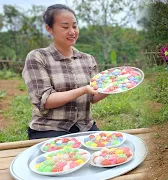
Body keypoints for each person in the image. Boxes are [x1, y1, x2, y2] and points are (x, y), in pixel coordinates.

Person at [22, 4, 108, 140]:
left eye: (74, 26)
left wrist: (111, 88)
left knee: (105, 154)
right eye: (65, 27)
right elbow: (45, 101)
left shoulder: (87, 59)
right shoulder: (37, 57)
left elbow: (93, 97)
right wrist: (83, 90)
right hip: (50, 128)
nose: (72, 31)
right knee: (66, 159)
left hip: (83, 126)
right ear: (49, 28)